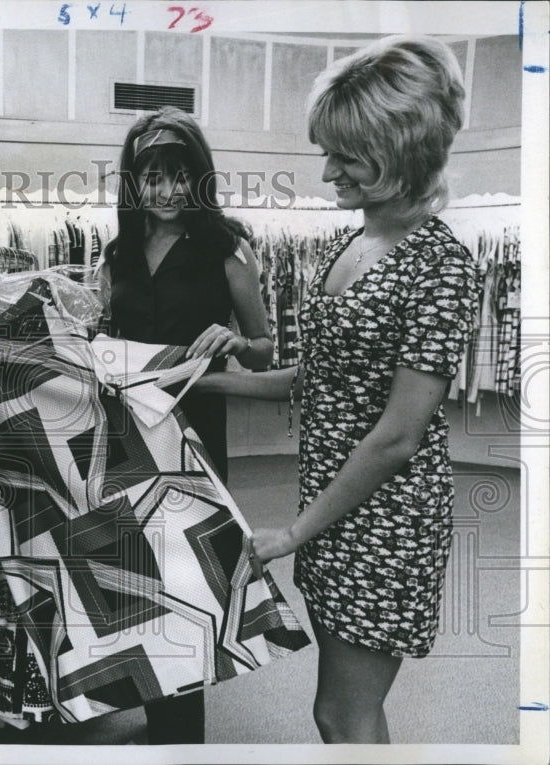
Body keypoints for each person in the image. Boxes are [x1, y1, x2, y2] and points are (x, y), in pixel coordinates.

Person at [193, 36, 479, 743]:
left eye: (346, 155)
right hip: (331, 504)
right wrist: (192, 378)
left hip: (385, 523)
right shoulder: (343, 245)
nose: (327, 170)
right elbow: (314, 381)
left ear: (399, 151)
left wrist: (295, 532)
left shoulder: (441, 267)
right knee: (350, 708)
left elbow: (398, 433)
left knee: (340, 712)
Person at [98, 105, 274, 744]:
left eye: (179, 176)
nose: (167, 191)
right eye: (153, 178)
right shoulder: (116, 252)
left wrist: (232, 338)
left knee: (188, 590)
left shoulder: (227, 250)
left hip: (194, 440)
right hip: (128, 438)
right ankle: (156, 724)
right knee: (142, 586)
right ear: (134, 182)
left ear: (199, 179)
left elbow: (264, 349)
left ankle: (182, 737)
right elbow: (105, 336)